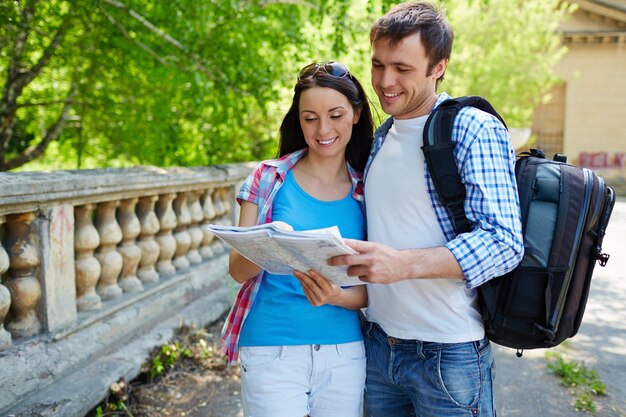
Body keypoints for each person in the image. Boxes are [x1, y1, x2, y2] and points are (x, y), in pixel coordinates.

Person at [327, 2, 524, 417]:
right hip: (379, 347)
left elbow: (504, 242)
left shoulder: (472, 128)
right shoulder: (383, 136)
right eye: (378, 65)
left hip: (448, 354)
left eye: (402, 68)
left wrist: (404, 265)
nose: (384, 81)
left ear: (438, 66)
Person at [221, 61, 375, 417]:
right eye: (310, 118)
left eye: (335, 115)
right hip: (271, 348)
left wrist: (335, 296)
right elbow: (237, 272)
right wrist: (265, 241)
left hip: (344, 353)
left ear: (356, 113)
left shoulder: (369, 189)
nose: (323, 129)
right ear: (298, 119)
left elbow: (377, 287)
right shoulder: (267, 178)